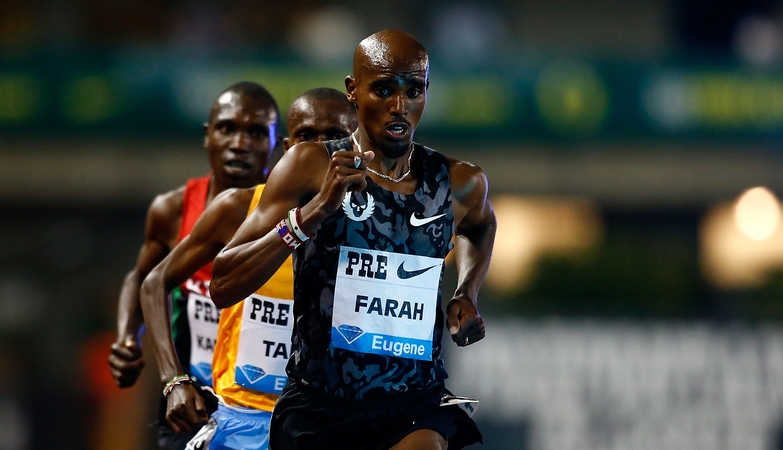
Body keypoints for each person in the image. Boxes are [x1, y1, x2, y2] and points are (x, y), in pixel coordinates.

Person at [211, 30, 496, 450]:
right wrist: (311, 216)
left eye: (413, 90)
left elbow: (480, 226)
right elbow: (223, 283)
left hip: (413, 404)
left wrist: (466, 290)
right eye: (383, 89)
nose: (399, 106)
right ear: (353, 91)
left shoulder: (458, 181)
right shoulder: (310, 165)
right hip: (319, 407)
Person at [140, 88, 358, 449]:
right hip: (243, 421)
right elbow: (154, 283)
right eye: (306, 138)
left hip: (327, 423)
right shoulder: (240, 209)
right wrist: (173, 379)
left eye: (334, 138)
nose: (317, 152)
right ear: (287, 148)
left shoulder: (378, 225)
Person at [107, 81, 280, 449]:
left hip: (262, 405)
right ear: (207, 136)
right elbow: (142, 279)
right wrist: (127, 337)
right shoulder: (172, 211)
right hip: (191, 399)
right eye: (227, 128)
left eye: (255, 132)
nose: (239, 143)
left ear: (277, 145)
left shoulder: (295, 218)